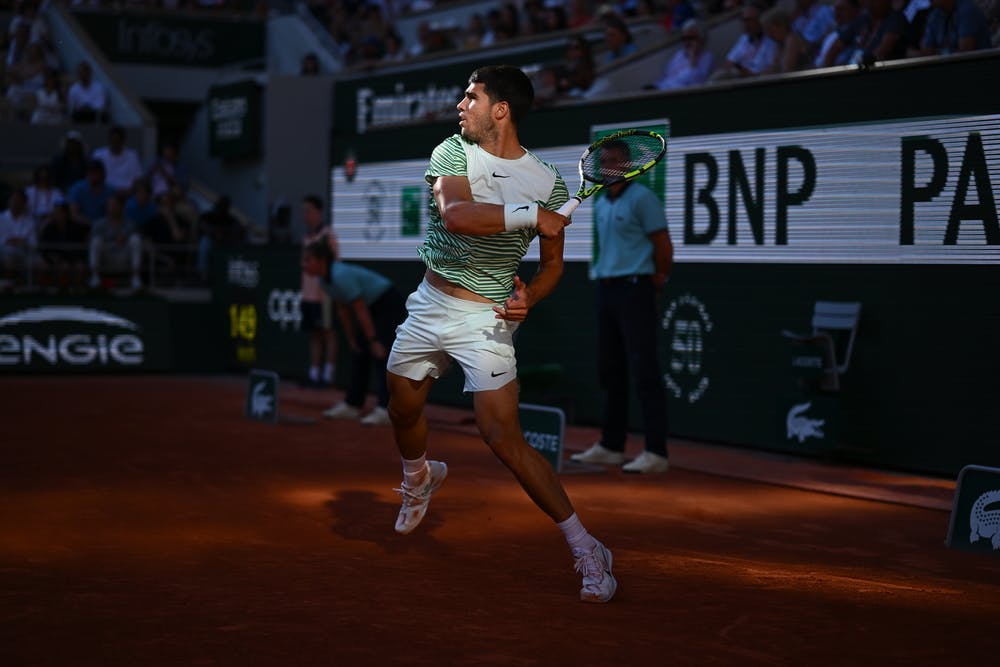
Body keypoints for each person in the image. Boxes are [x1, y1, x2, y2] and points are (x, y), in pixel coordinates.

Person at [385, 65, 617, 603]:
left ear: (501, 109)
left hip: (485, 318)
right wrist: (533, 215)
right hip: (431, 302)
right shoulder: (453, 151)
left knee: (502, 437)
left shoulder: (551, 183)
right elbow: (458, 214)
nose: (459, 105)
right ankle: (419, 476)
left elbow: (553, 268)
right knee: (401, 407)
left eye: (471, 96)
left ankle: (587, 548)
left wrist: (527, 298)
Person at [571, 138, 673, 475]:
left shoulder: (644, 199)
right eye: (604, 162)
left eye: (614, 161)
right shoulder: (601, 201)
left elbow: (663, 245)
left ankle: (656, 451)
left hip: (635, 289)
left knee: (644, 370)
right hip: (606, 289)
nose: (607, 168)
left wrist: (655, 281)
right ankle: (612, 446)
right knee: (610, 369)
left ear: (628, 165)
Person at [303, 240, 406, 426]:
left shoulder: (340, 276)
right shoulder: (323, 280)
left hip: (388, 303)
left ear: (321, 260)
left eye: (308, 260)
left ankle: (386, 409)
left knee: (382, 355)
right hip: (371, 307)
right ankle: (353, 405)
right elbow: (343, 309)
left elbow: (359, 309)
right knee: (360, 353)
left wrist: (374, 340)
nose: (304, 264)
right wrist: (352, 340)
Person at [299, 195, 339, 389]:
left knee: (328, 333)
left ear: (318, 212)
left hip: (324, 295)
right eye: (304, 211)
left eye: (308, 211)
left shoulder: (327, 235)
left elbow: (335, 264)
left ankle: (328, 376)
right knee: (314, 334)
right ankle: (314, 374)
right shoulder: (307, 237)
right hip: (308, 295)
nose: (305, 215)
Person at [710, 1, 781, 80]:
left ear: (759, 20)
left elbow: (772, 70)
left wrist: (749, 74)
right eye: (744, 20)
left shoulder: (771, 41)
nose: (745, 24)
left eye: (749, 20)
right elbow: (728, 62)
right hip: (739, 81)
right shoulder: (744, 39)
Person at [88, 193, 143, 290]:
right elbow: (95, 243)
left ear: (121, 207)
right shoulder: (99, 224)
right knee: (96, 241)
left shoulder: (130, 224)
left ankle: (135, 277)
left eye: (115, 205)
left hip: (123, 257)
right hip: (106, 256)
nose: (112, 208)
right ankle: (95, 277)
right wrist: (114, 243)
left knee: (136, 239)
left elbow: (132, 243)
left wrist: (123, 241)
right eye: (110, 205)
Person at [652, 18, 716, 90]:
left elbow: (696, 81)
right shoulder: (679, 55)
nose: (687, 42)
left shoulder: (707, 57)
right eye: (685, 38)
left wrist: (693, 57)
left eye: (691, 38)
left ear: (701, 39)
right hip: (662, 88)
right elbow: (667, 76)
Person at [919, 0, 992, 54]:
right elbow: (926, 50)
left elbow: (964, 52)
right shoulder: (934, 15)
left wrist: (938, 52)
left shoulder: (967, 10)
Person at [92, 125, 144, 195]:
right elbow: (93, 177)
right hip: (104, 194)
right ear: (109, 140)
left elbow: (138, 179)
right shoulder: (98, 155)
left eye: (118, 140)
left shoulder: (132, 156)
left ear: (123, 141)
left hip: (127, 194)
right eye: (113, 140)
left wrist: (129, 191)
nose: (115, 143)